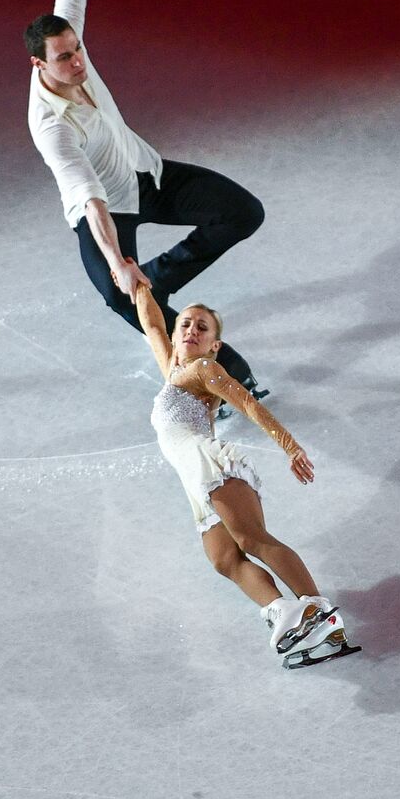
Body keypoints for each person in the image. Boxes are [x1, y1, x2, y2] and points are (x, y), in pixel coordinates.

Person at [25, 0, 266, 399]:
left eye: (78, 49)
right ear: (39, 63)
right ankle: (228, 378)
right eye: (64, 57)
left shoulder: (71, 44)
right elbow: (91, 201)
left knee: (244, 212)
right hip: (108, 208)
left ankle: (160, 277)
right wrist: (119, 265)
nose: (78, 61)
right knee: (124, 296)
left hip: (146, 171)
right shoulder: (51, 126)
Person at [123, 261, 359, 668]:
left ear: (215, 345)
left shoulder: (204, 369)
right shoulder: (174, 373)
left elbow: (247, 402)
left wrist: (290, 446)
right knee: (223, 559)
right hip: (194, 480)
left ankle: (319, 609)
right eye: (186, 325)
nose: (191, 331)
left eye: (202, 328)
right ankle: (286, 612)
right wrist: (135, 280)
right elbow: (153, 327)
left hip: (210, 463)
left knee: (251, 539)